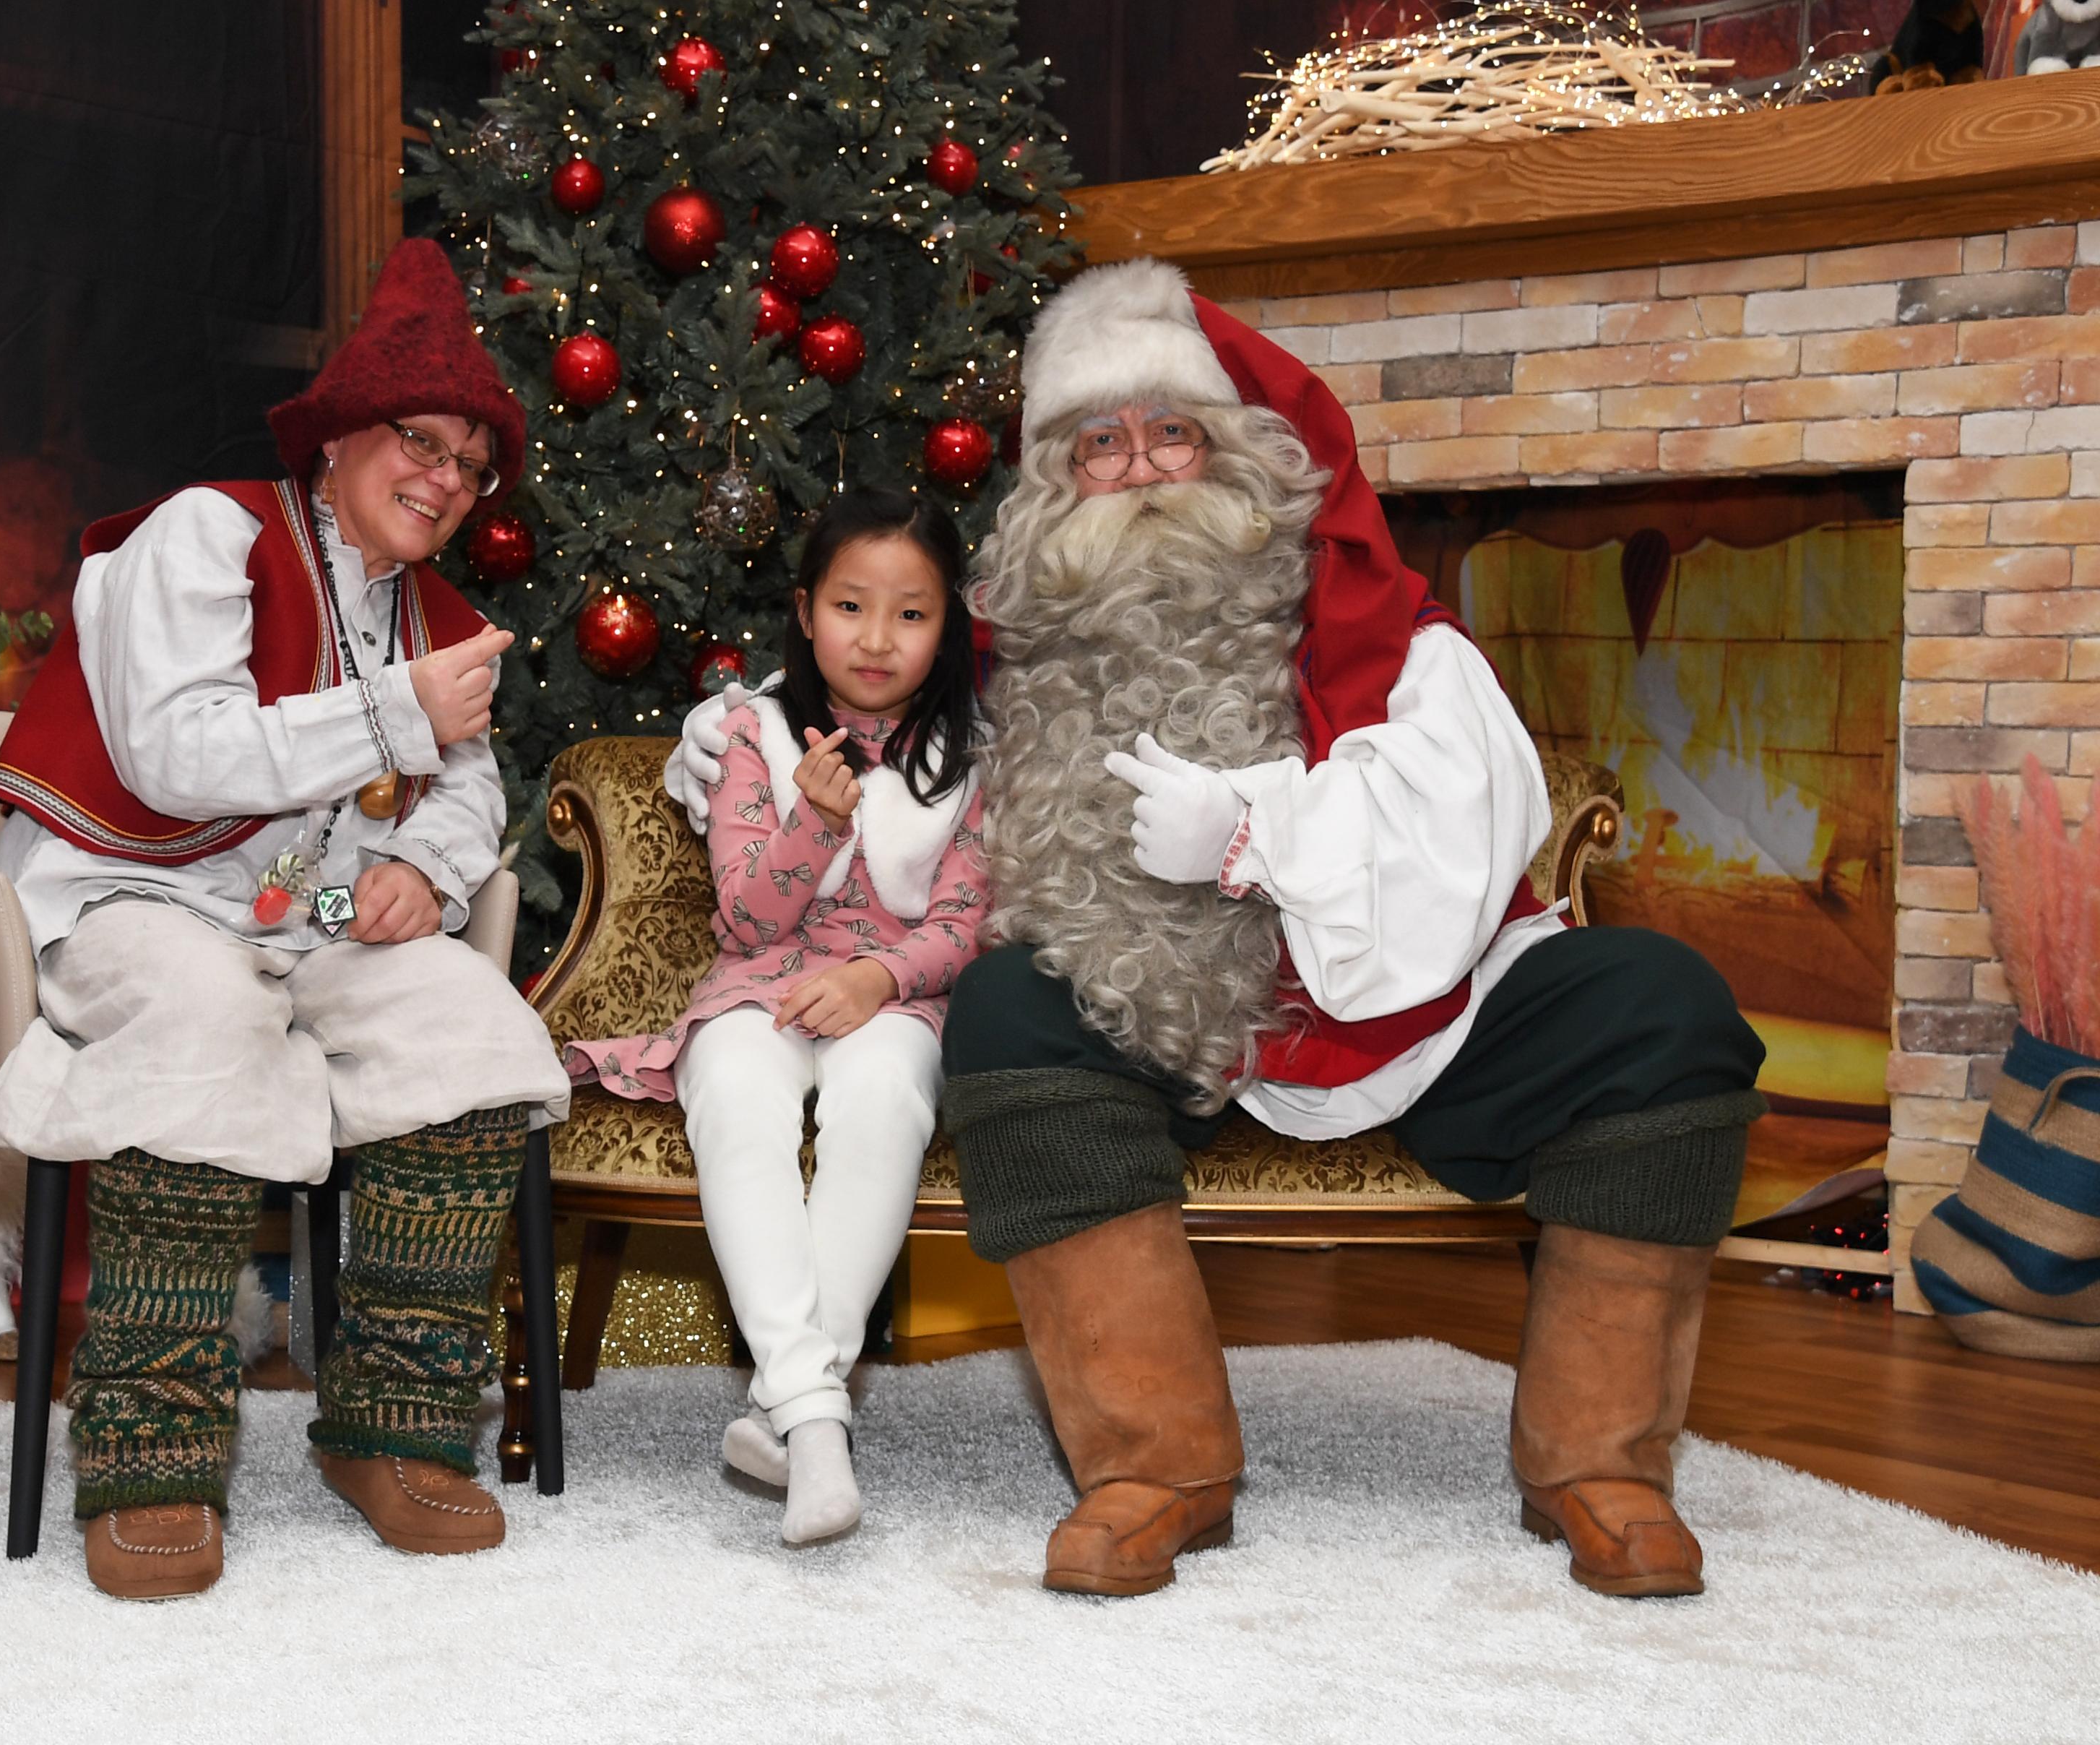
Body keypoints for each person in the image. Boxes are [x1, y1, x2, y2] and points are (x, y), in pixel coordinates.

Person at [667, 258, 1763, 1600]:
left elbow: (1474, 823)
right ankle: (1153, 1463)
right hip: (1151, 1025)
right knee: (1013, 1012)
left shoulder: (1378, 628)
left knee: (1665, 1006)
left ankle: (1603, 1468)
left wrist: (1256, 835)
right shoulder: (1008, 655)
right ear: (1055, 483)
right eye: (1099, 443)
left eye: (1170, 431)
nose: (1138, 468)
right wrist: (737, 739)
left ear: (1235, 451)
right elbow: (868, 701)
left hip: (1394, 1017)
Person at [0, 238, 571, 1600]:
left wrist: (424, 862)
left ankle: (395, 1429)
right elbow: (177, 754)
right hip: (136, 893)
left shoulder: (442, 615)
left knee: (474, 1030)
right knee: (201, 1025)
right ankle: (152, 1451)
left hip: (308, 929)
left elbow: (473, 791)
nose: (446, 480)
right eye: (419, 442)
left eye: (472, 466)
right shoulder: (208, 531)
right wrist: (398, 714)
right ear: (339, 440)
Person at [570, 491, 987, 1545]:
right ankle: (815, 1422)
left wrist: (878, 982)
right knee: (742, 1100)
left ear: (949, 626)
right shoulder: (748, 733)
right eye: (852, 606)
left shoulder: (975, 757)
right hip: (756, 987)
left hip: (896, 993)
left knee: (885, 1093)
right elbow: (751, 920)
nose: (878, 639)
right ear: (805, 612)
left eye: (911, 613)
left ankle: (787, 1412)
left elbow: (967, 919)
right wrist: (816, 818)